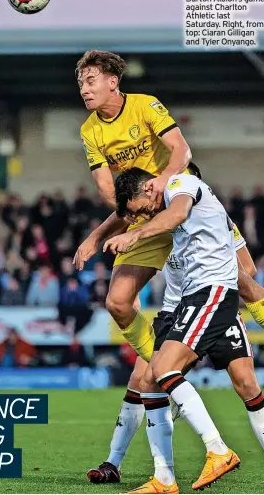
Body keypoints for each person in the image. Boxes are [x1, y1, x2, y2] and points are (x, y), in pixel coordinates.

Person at [86, 163, 264, 485]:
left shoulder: (183, 195)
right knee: (146, 379)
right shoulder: (163, 224)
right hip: (180, 308)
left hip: (211, 300)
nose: (144, 215)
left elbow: (250, 278)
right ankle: (138, 469)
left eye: (142, 210)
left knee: (242, 382)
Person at [73, 49, 192, 366]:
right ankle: (163, 368)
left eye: (91, 81)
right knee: (118, 302)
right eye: (81, 83)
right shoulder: (90, 130)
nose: (84, 89)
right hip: (140, 214)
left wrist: (164, 180)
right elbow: (106, 188)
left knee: (245, 277)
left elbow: (181, 149)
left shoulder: (144, 104)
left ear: (113, 82)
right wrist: (126, 215)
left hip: (181, 201)